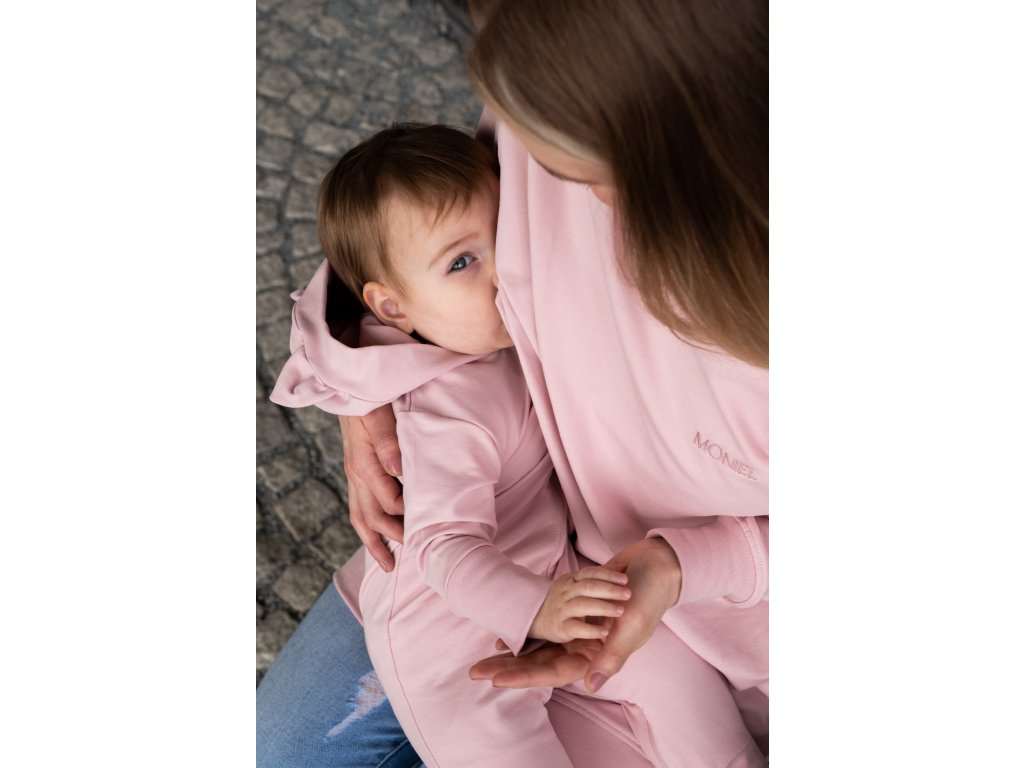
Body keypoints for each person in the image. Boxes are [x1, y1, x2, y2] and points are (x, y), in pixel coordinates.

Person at [256, 1, 768, 765]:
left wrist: (676, 567)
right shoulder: (549, 130)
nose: (509, 273)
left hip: (636, 599)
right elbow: (409, 224)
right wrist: (363, 373)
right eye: (471, 260)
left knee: (679, 698)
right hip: (472, 623)